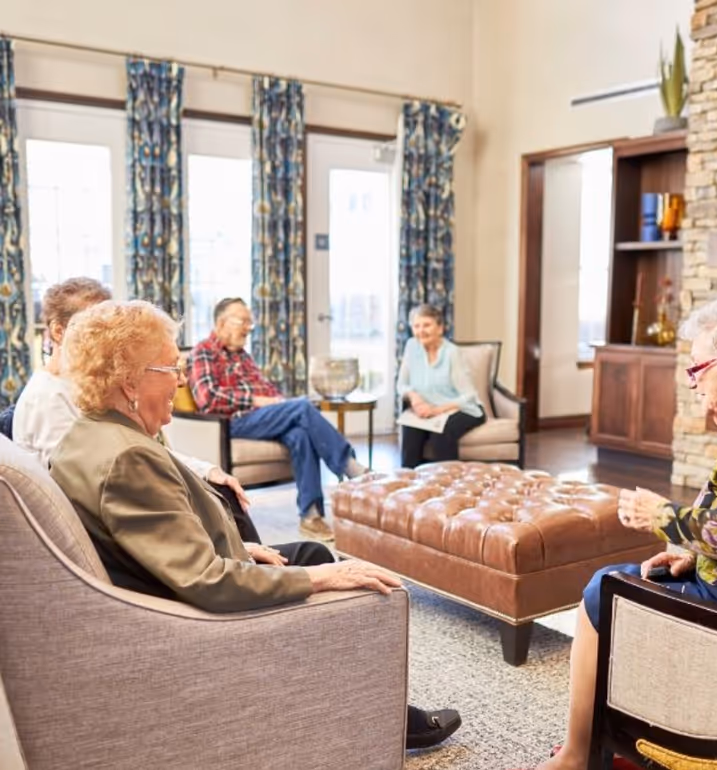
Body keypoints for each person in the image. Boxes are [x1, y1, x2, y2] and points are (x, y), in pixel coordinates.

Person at [50, 298, 461, 751]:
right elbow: (205, 581)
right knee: (339, 575)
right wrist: (315, 580)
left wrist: (244, 550)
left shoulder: (93, 433)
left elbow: (164, 547)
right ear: (130, 379)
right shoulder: (128, 457)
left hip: (186, 583)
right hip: (202, 618)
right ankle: (384, 720)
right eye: (171, 369)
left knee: (311, 545)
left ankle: (374, 706)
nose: (181, 379)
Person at [520, 287, 717, 770]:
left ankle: (575, 755)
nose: (693, 383)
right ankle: (633, 727)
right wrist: (694, 555)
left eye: (699, 368)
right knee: (637, 580)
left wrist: (661, 515)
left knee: (602, 590)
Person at [12, 278, 261, 544]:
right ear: (58, 331)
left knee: (220, 490)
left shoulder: (87, 387)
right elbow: (89, 487)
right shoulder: (49, 398)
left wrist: (204, 469)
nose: (106, 333)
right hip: (104, 534)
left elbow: (142, 450)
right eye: (93, 324)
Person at [188, 298, 367, 542]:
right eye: (243, 321)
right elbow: (208, 398)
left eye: (250, 323)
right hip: (231, 423)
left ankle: (311, 515)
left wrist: (278, 402)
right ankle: (350, 466)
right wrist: (256, 400)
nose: (248, 328)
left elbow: (269, 390)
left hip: (261, 419)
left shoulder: (243, 356)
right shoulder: (203, 352)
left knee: (300, 434)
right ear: (221, 323)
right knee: (302, 407)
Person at [397, 304, 486, 468]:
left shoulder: (452, 353)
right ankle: (410, 484)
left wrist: (437, 410)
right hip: (426, 409)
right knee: (410, 429)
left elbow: (469, 395)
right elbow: (402, 385)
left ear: (440, 328)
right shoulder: (411, 346)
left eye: (427, 325)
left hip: (463, 408)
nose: (421, 331)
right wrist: (415, 399)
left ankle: (447, 484)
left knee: (442, 434)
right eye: (416, 326)